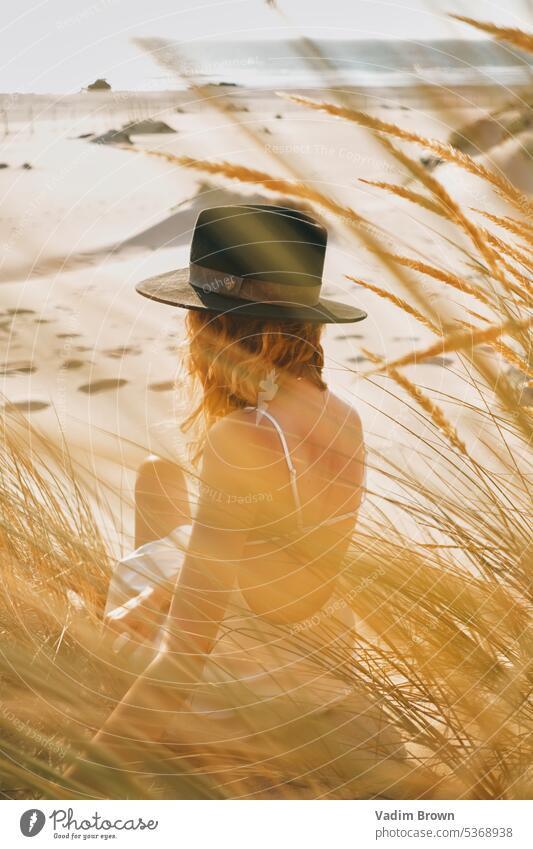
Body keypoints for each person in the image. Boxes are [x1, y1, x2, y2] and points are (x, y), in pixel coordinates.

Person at [74, 205, 410, 798]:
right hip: (321, 636)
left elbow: (187, 653)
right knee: (159, 479)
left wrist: (79, 783)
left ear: (216, 329)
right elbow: (272, 552)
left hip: (248, 680)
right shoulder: (342, 416)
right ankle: (151, 597)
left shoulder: (244, 438)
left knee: (108, 630)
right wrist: (171, 589)